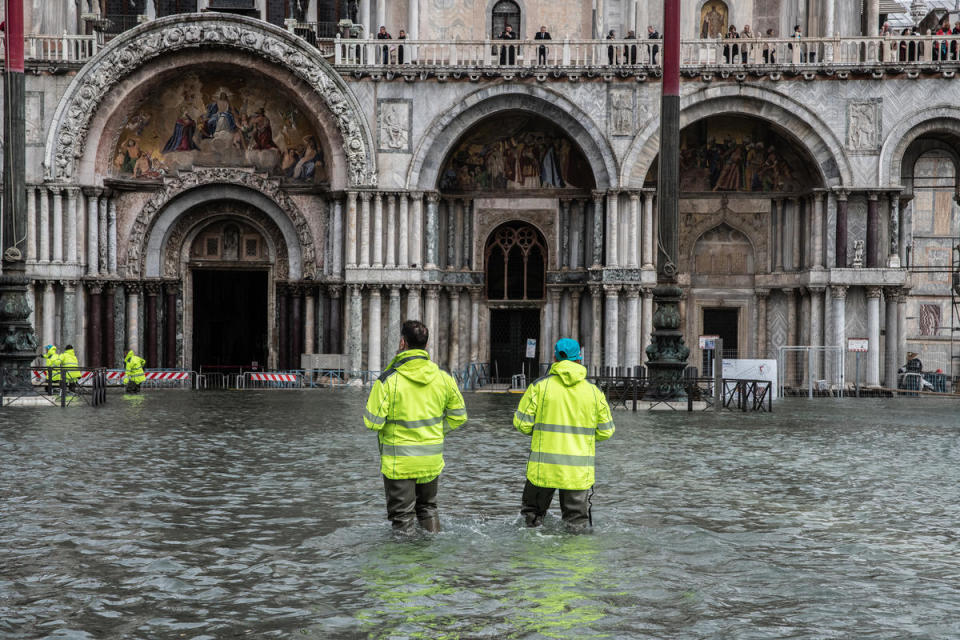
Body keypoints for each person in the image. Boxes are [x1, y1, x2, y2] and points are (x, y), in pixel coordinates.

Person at [363, 320, 467, 534]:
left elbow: (372, 422)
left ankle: (406, 564)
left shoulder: (388, 380)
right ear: (426, 346)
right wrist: (437, 430)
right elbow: (459, 416)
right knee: (428, 508)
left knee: (402, 515)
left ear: (402, 343)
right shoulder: (443, 378)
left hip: (400, 461)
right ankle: (432, 559)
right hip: (431, 458)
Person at [513, 338, 615, 530]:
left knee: (531, 521)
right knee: (576, 525)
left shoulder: (539, 387)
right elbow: (606, 431)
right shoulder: (594, 392)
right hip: (577, 471)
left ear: (555, 358)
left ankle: (530, 559)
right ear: (579, 359)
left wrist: (542, 435)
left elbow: (521, 424)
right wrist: (581, 439)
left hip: (542, 468)